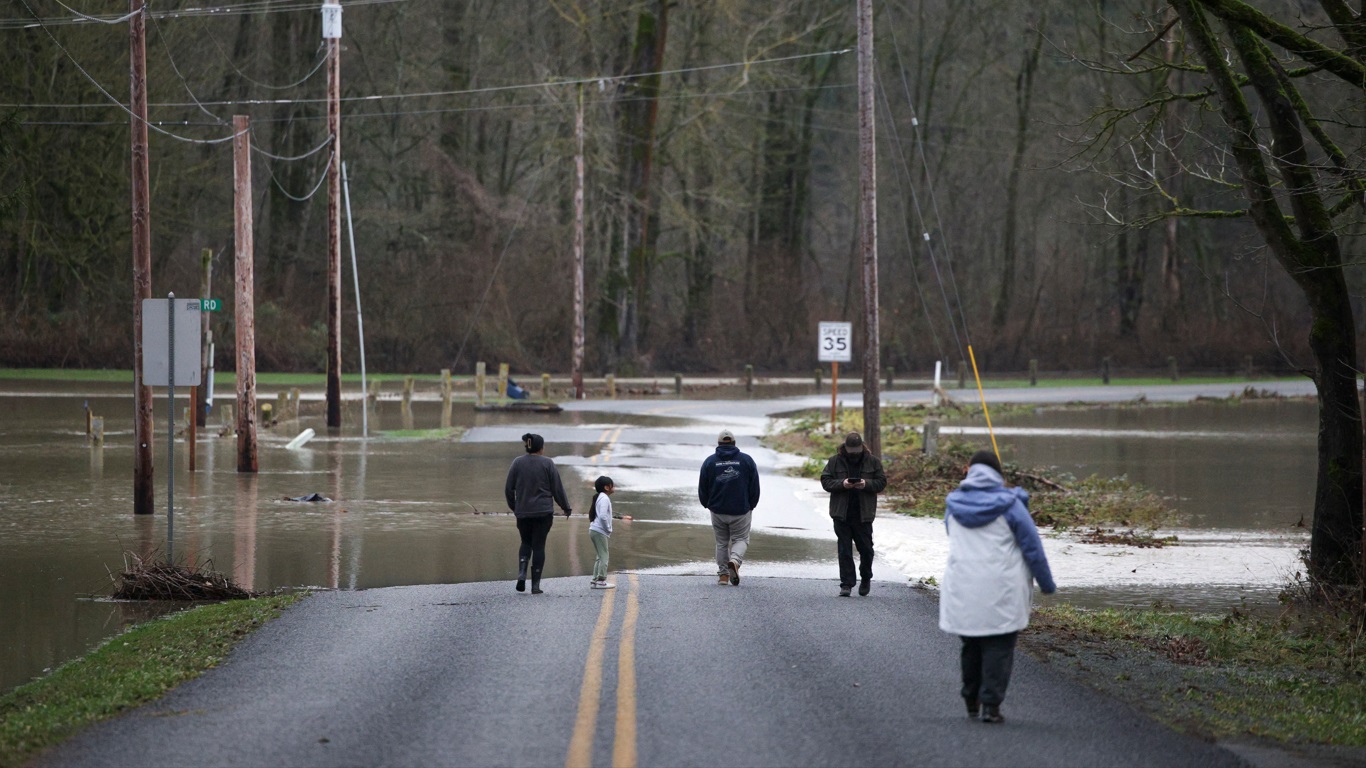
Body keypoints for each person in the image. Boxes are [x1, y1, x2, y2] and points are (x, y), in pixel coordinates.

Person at [939, 449, 1056, 724]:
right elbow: (1032, 547)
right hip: (1002, 587)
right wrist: (1046, 583)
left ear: (969, 472)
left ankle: (970, 699)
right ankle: (990, 705)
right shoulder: (1012, 505)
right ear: (997, 474)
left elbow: (952, 534)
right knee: (999, 646)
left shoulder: (953, 504)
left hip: (963, 585)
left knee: (971, 643)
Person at [820, 432, 887, 597]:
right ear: (845, 447)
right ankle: (847, 584)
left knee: (866, 549)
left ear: (862, 447)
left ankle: (866, 577)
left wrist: (866, 484)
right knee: (844, 550)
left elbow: (881, 482)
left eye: (856, 450)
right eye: (851, 450)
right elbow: (825, 481)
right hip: (841, 513)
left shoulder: (873, 461)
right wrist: (842, 484)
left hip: (864, 514)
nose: (854, 453)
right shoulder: (835, 461)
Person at [504, 433, 572, 594]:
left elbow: (508, 489)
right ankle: (535, 586)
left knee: (525, 542)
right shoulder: (548, 463)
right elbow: (557, 489)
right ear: (541, 448)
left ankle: (521, 574)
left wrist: (515, 507)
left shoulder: (517, 463)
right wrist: (566, 507)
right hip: (543, 513)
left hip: (523, 513)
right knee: (539, 546)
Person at [698, 428, 760, 586]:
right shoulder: (747, 460)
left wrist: (707, 504)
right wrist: (751, 504)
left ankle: (723, 576)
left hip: (718, 509)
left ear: (719, 444)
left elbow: (703, 487)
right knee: (741, 539)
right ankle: (735, 560)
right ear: (734, 443)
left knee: (721, 542)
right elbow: (754, 486)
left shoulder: (710, 462)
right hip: (741, 509)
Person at [587, 475, 616, 590]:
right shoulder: (604, 498)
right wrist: (608, 528)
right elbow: (603, 516)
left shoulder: (600, 497)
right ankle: (601, 580)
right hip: (599, 531)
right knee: (604, 555)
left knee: (600, 556)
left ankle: (594, 581)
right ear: (607, 487)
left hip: (594, 530)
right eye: (612, 485)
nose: (614, 487)